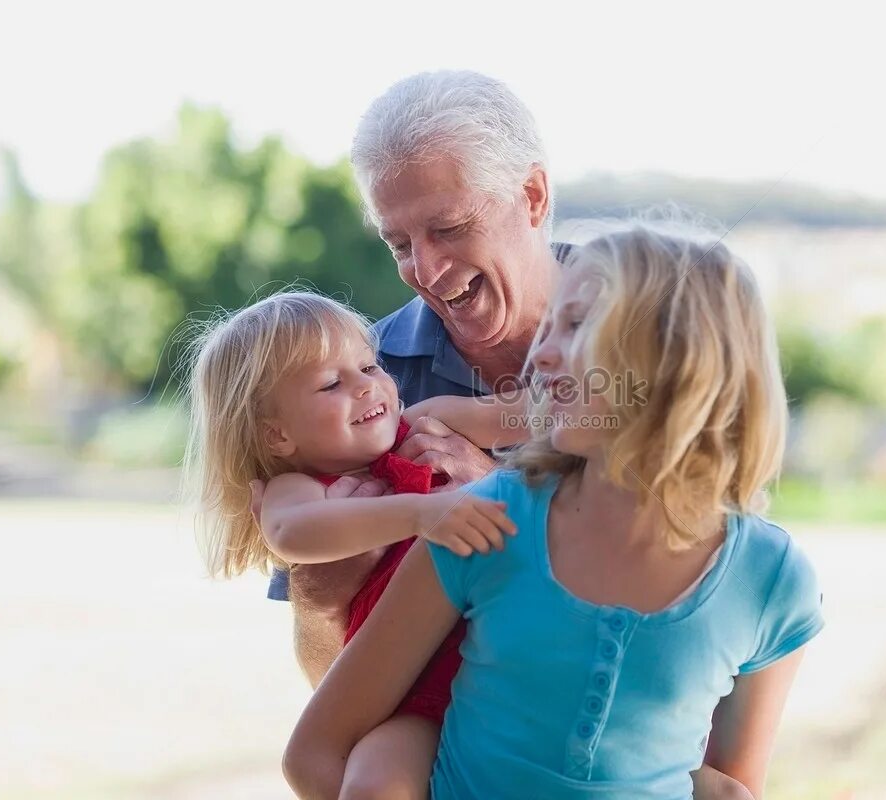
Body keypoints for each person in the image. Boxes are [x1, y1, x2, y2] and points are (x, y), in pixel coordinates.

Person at [282, 224, 825, 800]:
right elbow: (317, 752)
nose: (540, 353)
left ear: (677, 361)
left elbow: (729, 787)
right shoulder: (485, 521)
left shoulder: (773, 580)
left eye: (576, 326)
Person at [267, 70, 572, 688]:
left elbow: (723, 578)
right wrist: (322, 599)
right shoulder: (356, 385)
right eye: (398, 242)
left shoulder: (656, 334)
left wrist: (499, 500)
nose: (425, 270)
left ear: (533, 196)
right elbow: (331, 687)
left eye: (450, 228)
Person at [186, 290, 530, 797]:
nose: (366, 387)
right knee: (372, 783)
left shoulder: (427, 420)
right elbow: (292, 535)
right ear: (277, 434)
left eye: (369, 366)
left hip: (507, 658)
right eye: (331, 383)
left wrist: (631, 396)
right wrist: (417, 512)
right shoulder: (300, 492)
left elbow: (525, 414)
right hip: (410, 692)